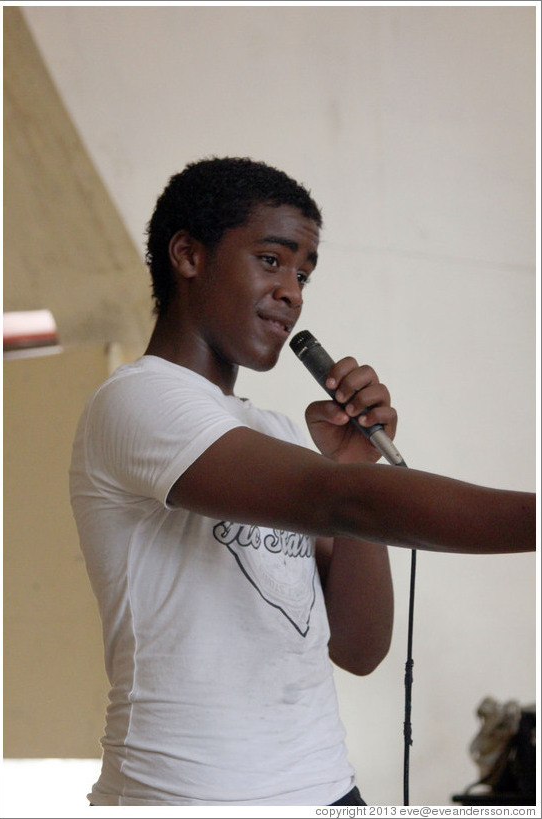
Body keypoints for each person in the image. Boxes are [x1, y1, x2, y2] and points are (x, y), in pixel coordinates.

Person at [69, 156, 534, 807]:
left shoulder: (281, 433)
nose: (292, 290)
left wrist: (352, 463)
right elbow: (336, 501)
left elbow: (359, 644)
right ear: (187, 255)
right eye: (271, 260)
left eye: (303, 272)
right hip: (188, 799)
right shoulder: (138, 401)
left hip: (326, 792)